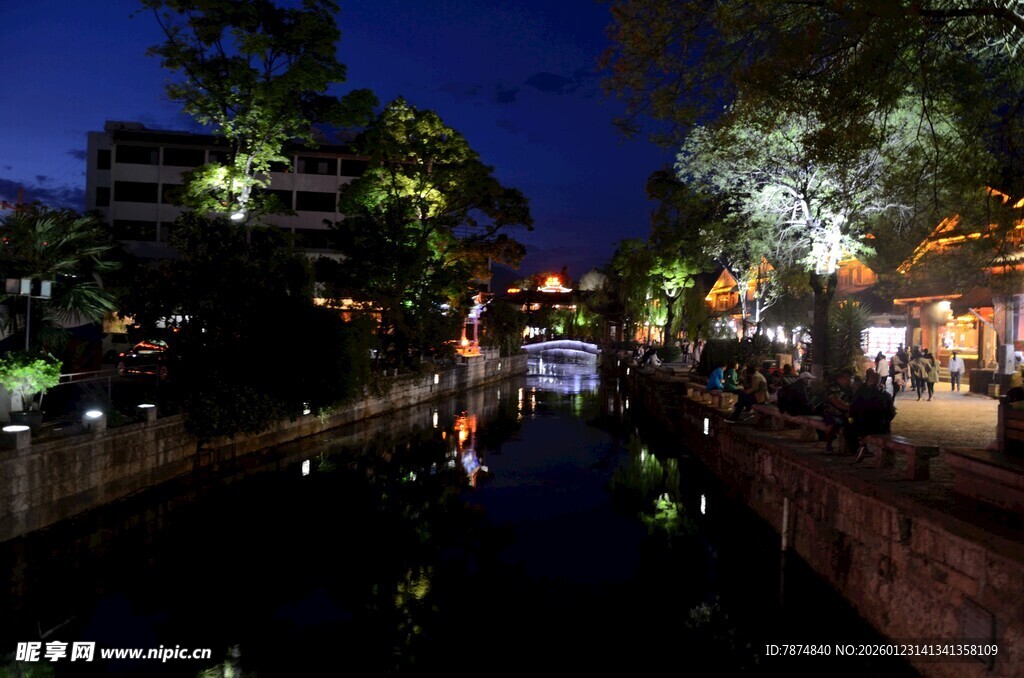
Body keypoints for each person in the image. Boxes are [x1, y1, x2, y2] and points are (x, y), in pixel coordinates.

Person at [850, 369, 897, 461]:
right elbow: (891, 413)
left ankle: (858, 449)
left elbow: (853, 410)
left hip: (860, 426)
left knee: (848, 426)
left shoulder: (860, 393)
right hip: (881, 427)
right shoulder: (885, 395)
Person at [823, 368, 854, 454]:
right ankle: (829, 445)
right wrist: (848, 408)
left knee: (854, 422)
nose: (849, 381)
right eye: (848, 379)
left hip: (847, 414)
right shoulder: (833, 388)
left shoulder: (849, 389)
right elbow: (836, 402)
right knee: (836, 423)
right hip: (832, 413)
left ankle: (852, 447)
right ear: (842, 378)